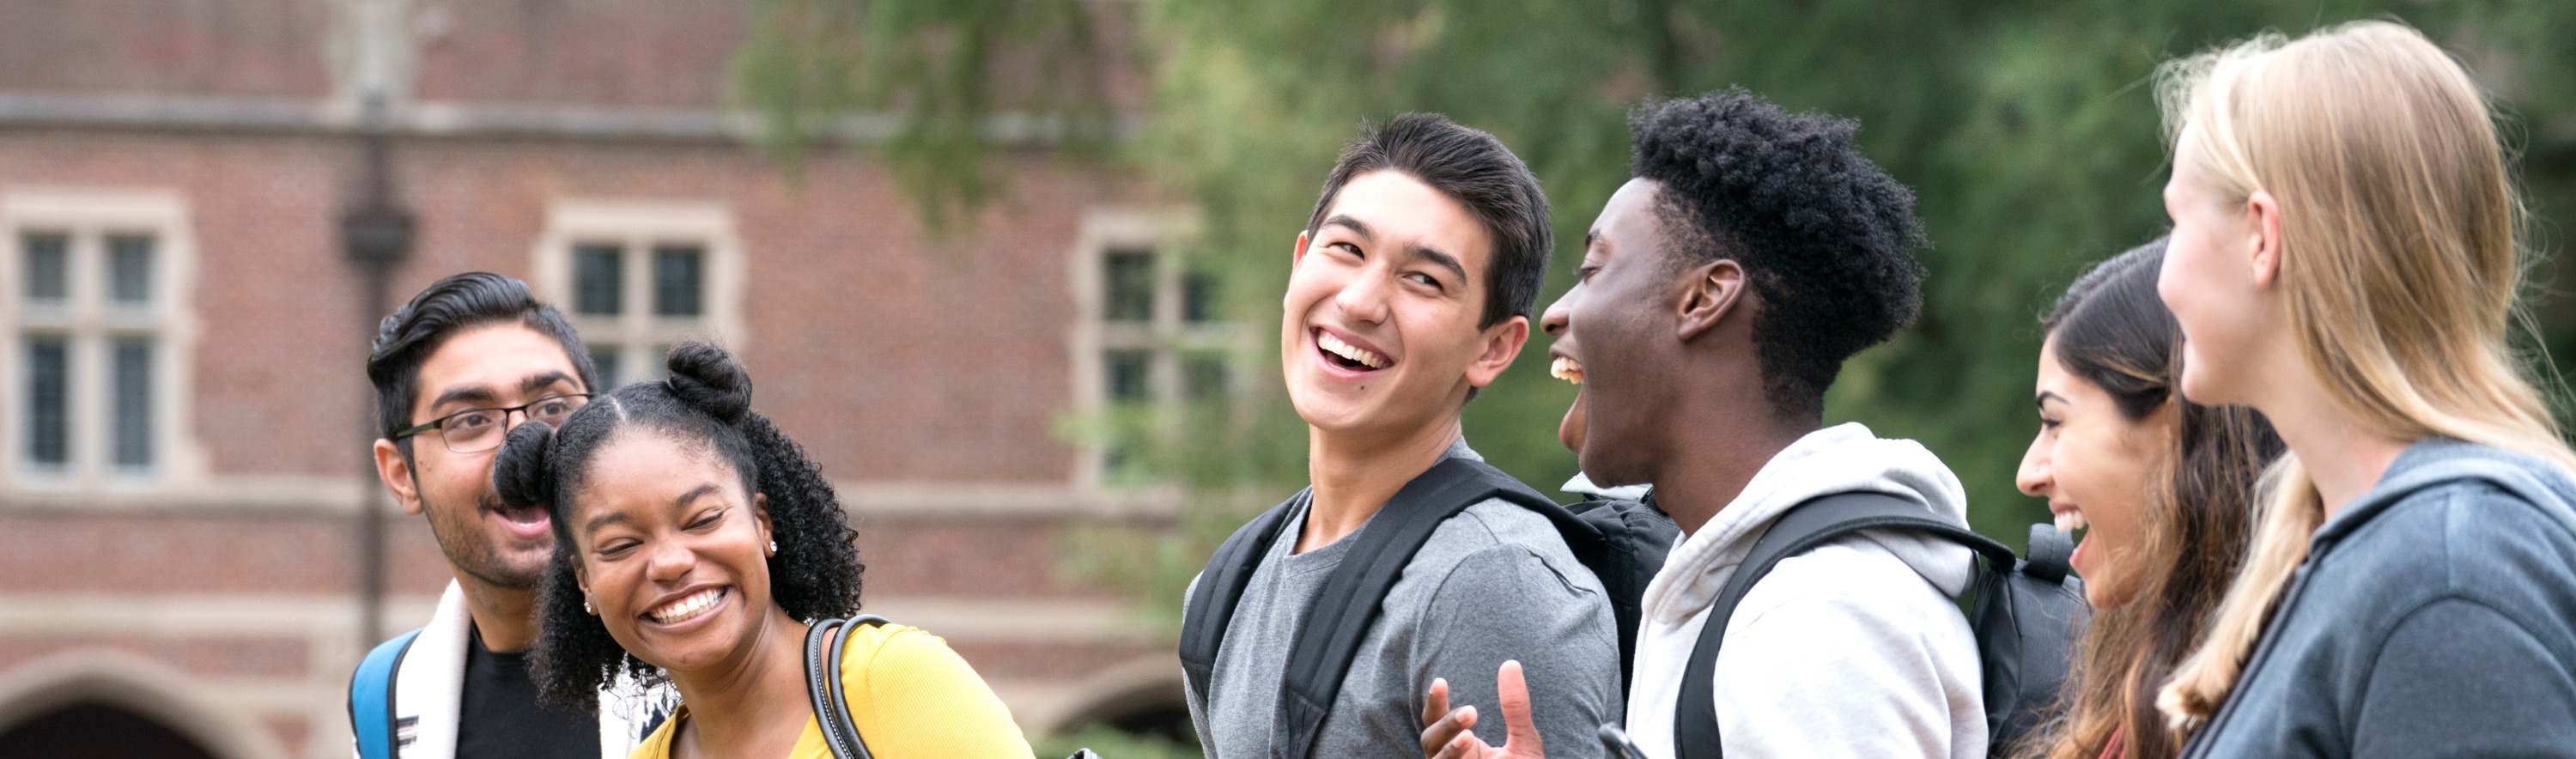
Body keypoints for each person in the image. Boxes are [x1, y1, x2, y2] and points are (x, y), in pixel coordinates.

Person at [1422, 88, 1982, 758]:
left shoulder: (1812, 621)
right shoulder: (1747, 597)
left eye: (1594, 271)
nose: (1556, 313)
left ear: (1704, 298)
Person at [2148, 20, 2576, 757]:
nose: (2162, 280)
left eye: (2176, 223)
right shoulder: (2395, 550)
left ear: (2262, 237)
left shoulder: (2447, 572)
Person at [1180, 112, 1625, 757]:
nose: (1361, 301)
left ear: (1495, 348)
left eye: (1423, 279)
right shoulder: (1226, 586)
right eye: (1347, 250)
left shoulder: (1489, 581)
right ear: (1299, 265)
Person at [495, 342, 1030, 758]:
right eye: (620, 545)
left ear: (761, 521)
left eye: (703, 519)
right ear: (585, 582)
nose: (671, 562)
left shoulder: (892, 683)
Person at [353, 271, 666, 759]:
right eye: (471, 420)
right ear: (401, 476)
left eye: (553, 406)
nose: (527, 444)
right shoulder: (386, 703)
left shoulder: (716, 652)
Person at [2012, 240, 2281, 759]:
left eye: (2055, 423)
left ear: (2174, 426)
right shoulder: (2145, 697)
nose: (2029, 474)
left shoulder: (2282, 701)